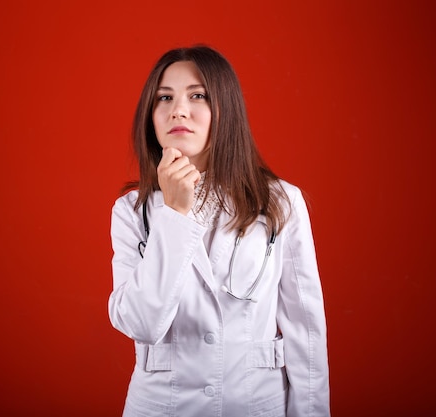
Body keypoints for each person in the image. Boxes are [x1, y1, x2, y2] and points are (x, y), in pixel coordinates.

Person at [108, 45, 330, 417]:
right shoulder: (132, 213)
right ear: (151, 116)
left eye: (197, 95)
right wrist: (176, 215)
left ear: (225, 110)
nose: (178, 109)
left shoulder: (281, 201)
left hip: (256, 405)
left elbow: (306, 333)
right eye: (165, 98)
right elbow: (143, 323)